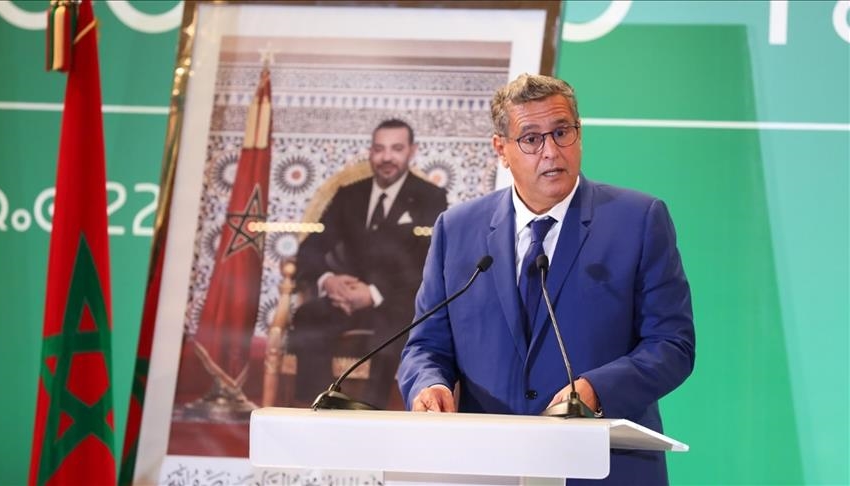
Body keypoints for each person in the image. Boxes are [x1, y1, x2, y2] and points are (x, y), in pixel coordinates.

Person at [397, 74, 695, 485]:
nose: (551, 151)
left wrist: (597, 390)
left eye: (561, 132)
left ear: (579, 133)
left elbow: (672, 344)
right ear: (500, 149)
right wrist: (428, 385)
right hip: (488, 467)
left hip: (605, 467)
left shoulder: (638, 220)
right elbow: (426, 346)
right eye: (531, 139)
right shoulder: (457, 230)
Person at [289, 118, 448, 407]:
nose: (387, 157)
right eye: (379, 149)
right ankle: (318, 409)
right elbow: (311, 248)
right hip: (344, 301)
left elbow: (427, 263)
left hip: (395, 304)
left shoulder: (431, 197)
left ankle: (371, 415)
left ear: (411, 151)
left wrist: (373, 293)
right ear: (371, 152)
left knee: (391, 335)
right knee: (308, 317)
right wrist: (329, 280)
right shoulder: (349, 195)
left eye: (396, 148)